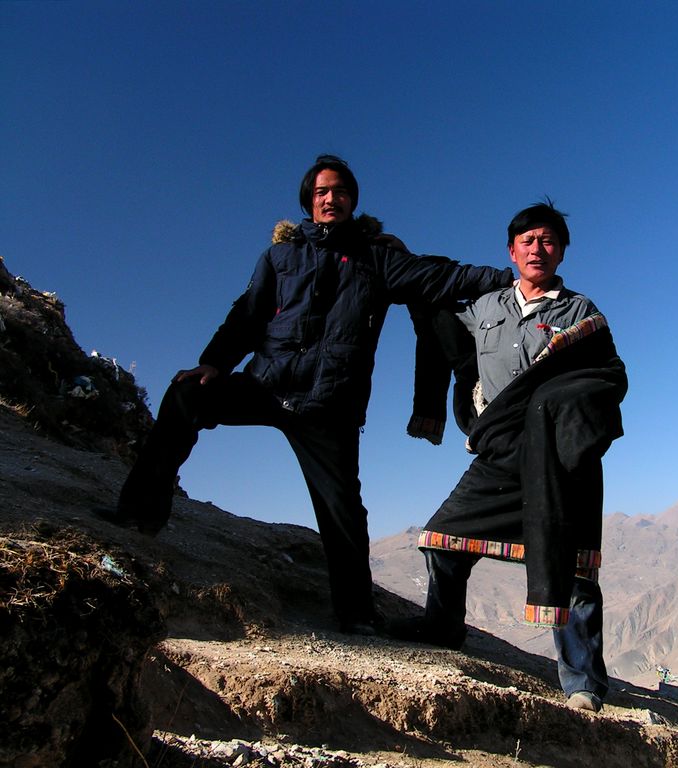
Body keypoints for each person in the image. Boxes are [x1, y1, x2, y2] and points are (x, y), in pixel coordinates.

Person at [98, 154, 511, 635]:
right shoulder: (279, 256)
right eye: (321, 193)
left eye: (339, 191)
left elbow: (442, 278)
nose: (330, 198)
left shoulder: (377, 258)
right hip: (267, 386)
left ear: (352, 200)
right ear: (308, 203)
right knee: (186, 397)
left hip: (330, 405)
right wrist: (213, 363)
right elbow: (246, 315)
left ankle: (356, 613)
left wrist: (512, 278)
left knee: (342, 511)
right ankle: (139, 515)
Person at [390, 201, 628, 713]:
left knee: (576, 569)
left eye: (547, 240)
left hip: (560, 461)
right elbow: (437, 316)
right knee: (442, 540)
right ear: (511, 251)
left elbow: (610, 378)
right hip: (500, 452)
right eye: (527, 241)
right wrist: (395, 261)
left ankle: (583, 682)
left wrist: (558, 408)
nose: (537, 249)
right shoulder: (485, 308)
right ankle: (442, 628)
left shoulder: (582, 314)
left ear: (561, 250)